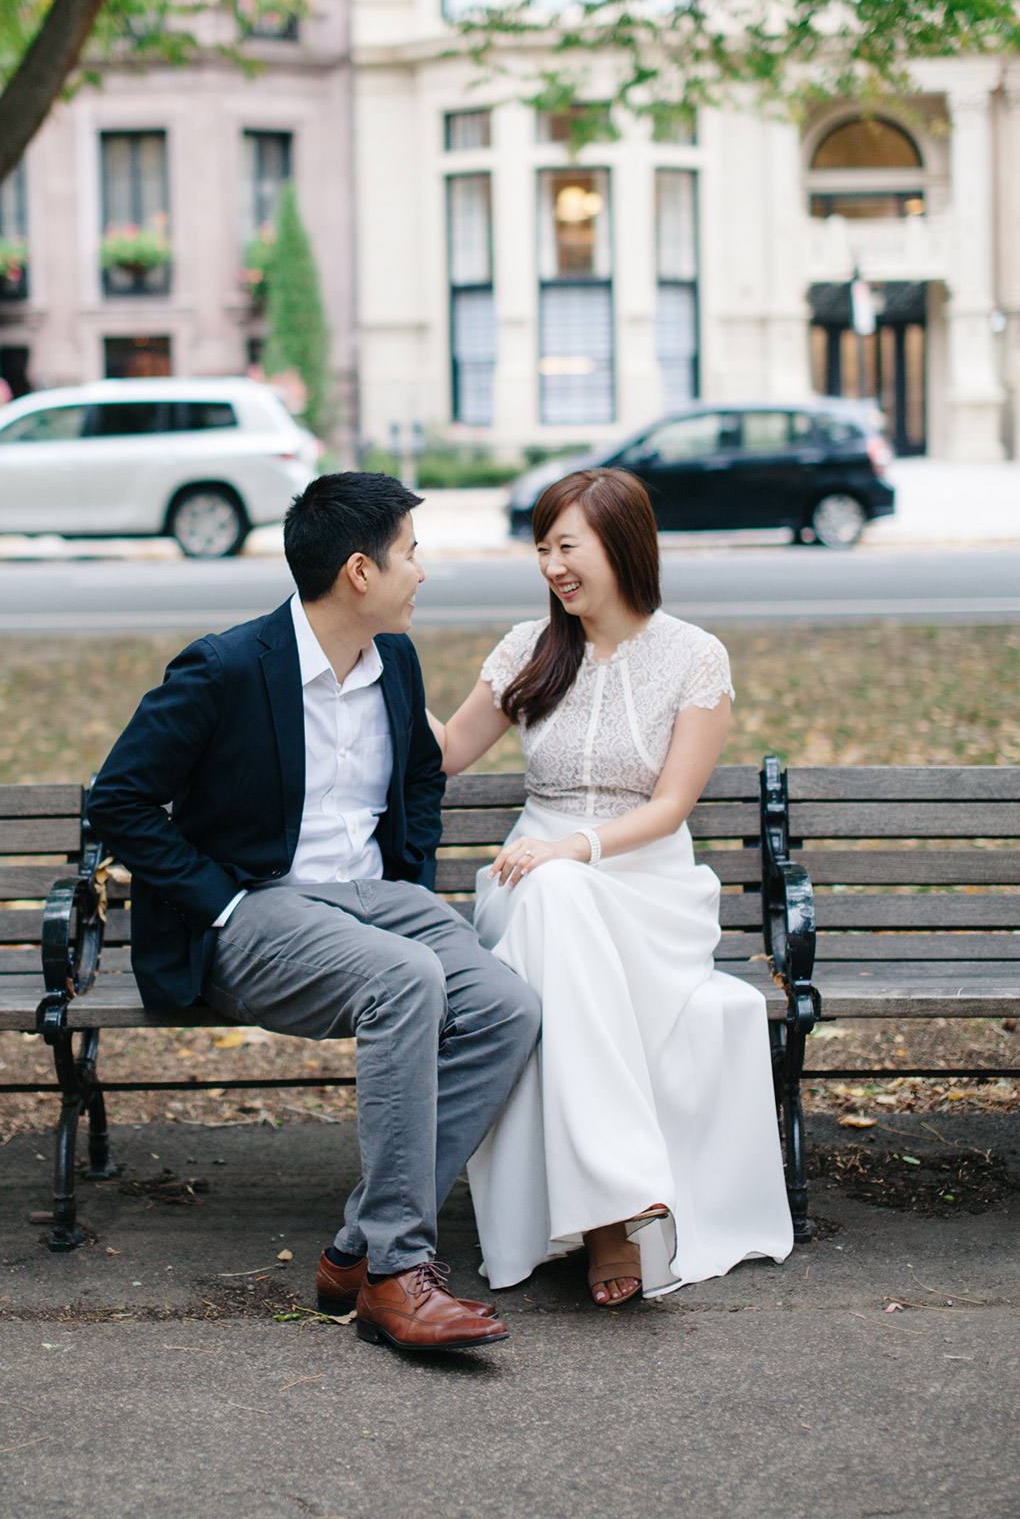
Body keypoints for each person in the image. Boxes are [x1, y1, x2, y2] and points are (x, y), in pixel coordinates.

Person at [86, 471, 541, 1355]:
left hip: (380, 903)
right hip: (259, 909)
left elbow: (418, 773)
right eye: (413, 554)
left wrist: (411, 876)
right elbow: (121, 802)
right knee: (406, 981)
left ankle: (356, 1247)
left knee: (507, 1008)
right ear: (360, 572)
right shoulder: (224, 668)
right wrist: (216, 901)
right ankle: (398, 1273)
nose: (424, 571)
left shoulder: (395, 662)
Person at [428, 468, 794, 1303]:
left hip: (648, 888)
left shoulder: (694, 656)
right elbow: (447, 751)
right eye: (543, 549)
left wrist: (578, 847)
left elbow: (669, 808)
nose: (553, 565)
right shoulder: (529, 647)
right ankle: (614, 1214)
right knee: (553, 899)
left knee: (566, 894)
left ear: (622, 543)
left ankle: (606, 1207)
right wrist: (373, 655)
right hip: (530, 880)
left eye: (568, 545)